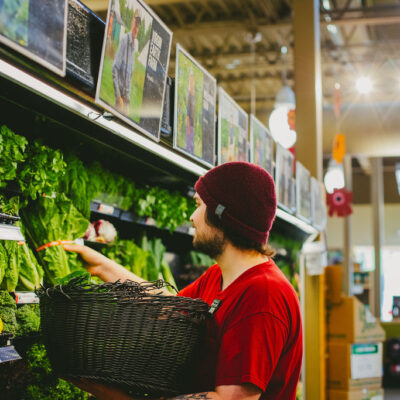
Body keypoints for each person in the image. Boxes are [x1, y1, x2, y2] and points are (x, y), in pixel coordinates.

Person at [64, 161, 303, 400]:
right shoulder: (220, 275)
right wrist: (100, 265)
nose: (192, 217)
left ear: (222, 215)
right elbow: (172, 309)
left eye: (199, 205)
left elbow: (232, 398)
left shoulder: (263, 295)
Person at [112, 11, 141, 114]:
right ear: (132, 23)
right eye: (135, 24)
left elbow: (130, 77)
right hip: (120, 97)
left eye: (138, 25)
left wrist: (127, 101)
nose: (136, 28)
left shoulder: (134, 47)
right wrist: (118, 96)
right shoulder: (125, 40)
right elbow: (115, 68)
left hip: (126, 97)